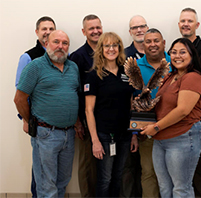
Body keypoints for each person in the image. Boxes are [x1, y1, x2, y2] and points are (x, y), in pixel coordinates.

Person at [14, 30, 80, 198]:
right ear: (46, 44)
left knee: (63, 182)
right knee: (46, 185)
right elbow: (19, 99)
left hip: (69, 134)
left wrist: (77, 121)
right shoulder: (35, 67)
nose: (60, 46)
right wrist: (30, 121)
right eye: (56, 42)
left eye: (65, 43)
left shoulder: (73, 68)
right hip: (45, 134)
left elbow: (74, 97)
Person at [141, 37, 201, 198]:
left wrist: (156, 127)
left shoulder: (193, 77)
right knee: (164, 187)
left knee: (180, 189)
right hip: (161, 139)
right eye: (174, 52)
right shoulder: (171, 76)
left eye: (183, 52)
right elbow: (163, 105)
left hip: (183, 137)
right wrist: (142, 105)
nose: (178, 56)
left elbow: (182, 110)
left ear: (191, 55)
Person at [84, 32, 137, 197]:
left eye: (115, 45)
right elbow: (88, 110)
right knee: (104, 179)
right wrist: (95, 141)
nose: (111, 49)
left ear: (120, 48)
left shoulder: (126, 73)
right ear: (101, 49)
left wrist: (134, 134)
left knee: (118, 177)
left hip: (124, 134)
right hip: (104, 136)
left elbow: (131, 105)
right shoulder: (93, 76)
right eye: (107, 45)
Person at [15, 16, 56, 198]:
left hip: (59, 125)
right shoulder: (28, 57)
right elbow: (20, 92)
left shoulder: (62, 55)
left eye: (51, 28)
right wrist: (27, 119)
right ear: (37, 32)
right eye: (44, 29)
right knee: (40, 170)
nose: (47, 32)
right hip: (38, 123)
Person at [178, 8, 201, 197]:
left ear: (197, 25)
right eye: (183, 21)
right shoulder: (176, 51)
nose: (186, 24)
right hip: (179, 121)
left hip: (198, 121)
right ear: (179, 25)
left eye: (190, 21)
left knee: (199, 167)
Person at [70, 14, 103, 198]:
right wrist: (77, 121)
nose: (96, 31)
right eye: (91, 28)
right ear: (84, 32)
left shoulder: (109, 52)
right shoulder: (78, 57)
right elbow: (72, 91)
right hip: (86, 119)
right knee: (88, 166)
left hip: (106, 119)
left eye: (98, 27)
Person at [136, 28, 171, 198]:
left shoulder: (176, 63)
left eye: (156, 41)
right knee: (149, 173)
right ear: (143, 46)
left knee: (172, 176)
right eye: (148, 41)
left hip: (173, 129)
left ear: (164, 43)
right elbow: (130, 99)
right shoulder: (135, 67)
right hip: (147, 130)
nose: (153, 45)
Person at [120, 15, 148, 198]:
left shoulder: (159, 53)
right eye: (134, 27)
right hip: (130, 120)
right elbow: (123, 91)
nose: (139, 30)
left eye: (142, 26)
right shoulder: (123, 56)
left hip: (154, 119)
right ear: (130, 32)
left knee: (149, 169)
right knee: (129, 167)